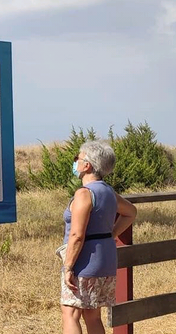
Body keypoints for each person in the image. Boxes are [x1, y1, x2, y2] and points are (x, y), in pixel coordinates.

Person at [60, 141, 137, 334]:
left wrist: (68, 267)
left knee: (70, 313)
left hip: (84, 264)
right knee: (92, 316)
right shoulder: (108, 192)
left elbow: (77, 235)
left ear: (87, 165)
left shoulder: (84, 194)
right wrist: (110, 234)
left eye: (77, 158)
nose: (75, 162)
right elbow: (131, 212)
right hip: (106, 262)